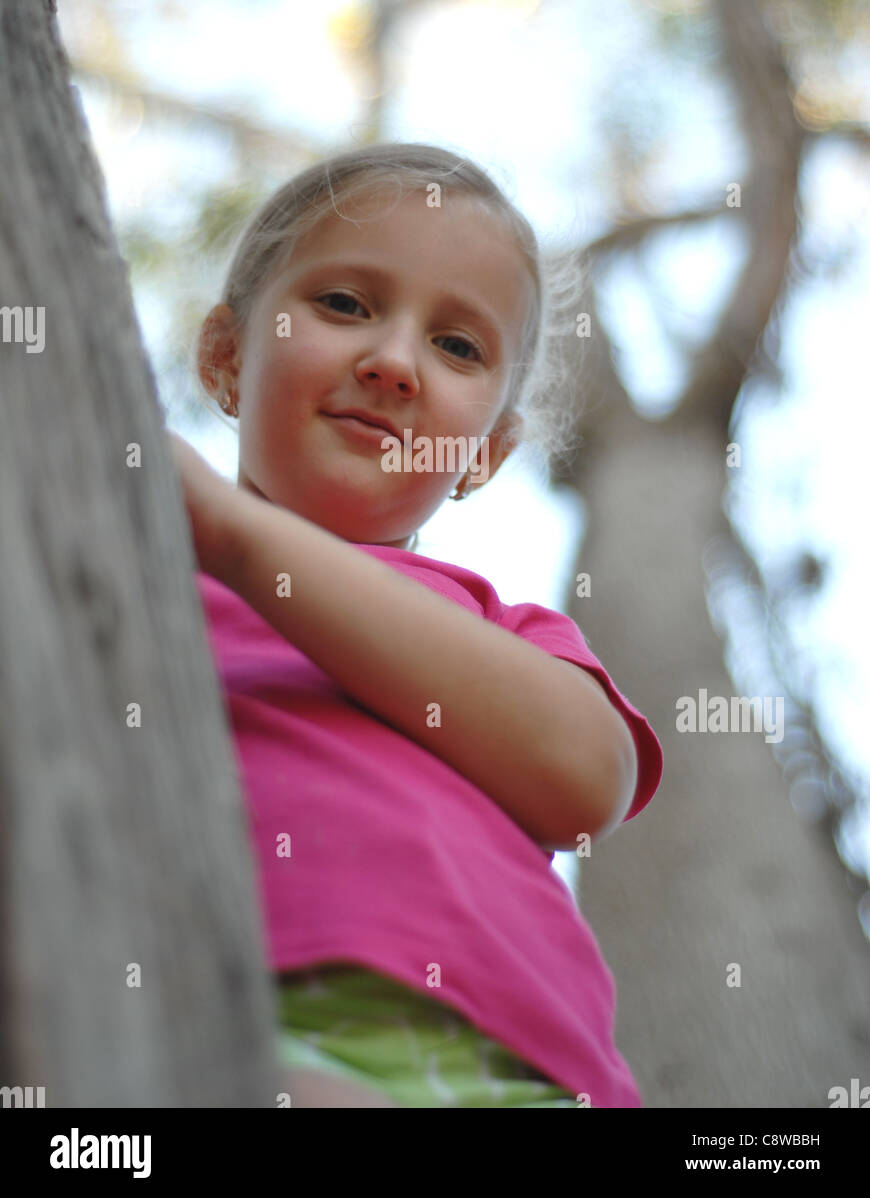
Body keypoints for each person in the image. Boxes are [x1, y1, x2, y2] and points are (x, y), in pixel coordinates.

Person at [170, 141, 663, 1108]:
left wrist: (235, 536)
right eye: (345, 304)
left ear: (487, 452)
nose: (393, 363)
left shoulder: (495, 625)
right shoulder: (136, 577)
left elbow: (584, 778)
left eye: (458, 345)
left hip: (534, 1069)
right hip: (232, 1017)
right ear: (228, 357)